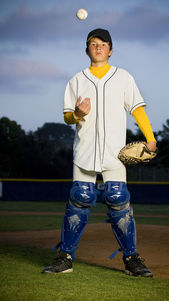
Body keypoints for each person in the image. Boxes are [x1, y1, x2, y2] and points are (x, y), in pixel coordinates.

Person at [42, 28, 157, 277]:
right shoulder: (76, 80)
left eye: (103, 44)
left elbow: (137, 110)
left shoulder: (123, 77)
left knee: (118, 199)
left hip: (115, 154)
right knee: (79, 198)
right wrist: (77, 115)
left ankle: (131, 259)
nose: (98, 47)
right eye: (93, 44)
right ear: (87, 50)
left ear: (111, 50)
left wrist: (150, 138)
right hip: (85, 150)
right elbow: (67, 118)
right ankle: (65, 257)